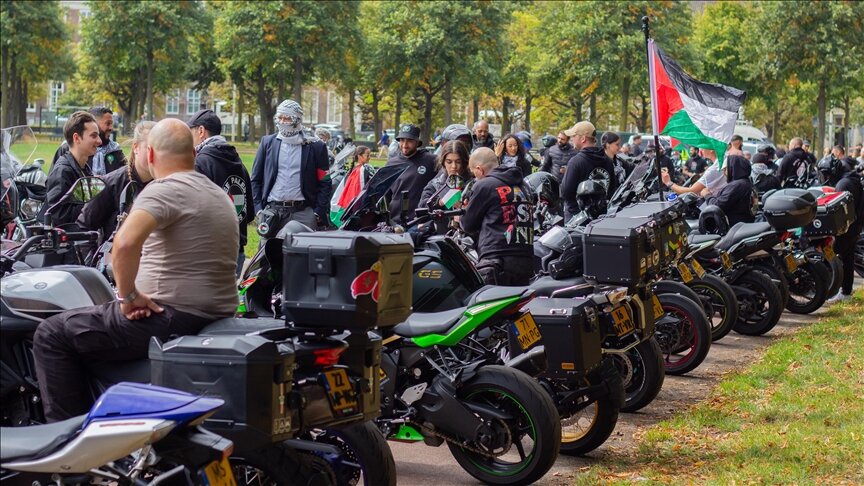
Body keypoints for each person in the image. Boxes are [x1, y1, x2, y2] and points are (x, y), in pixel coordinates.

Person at [33, 118, 239, 422]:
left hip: (169, 316)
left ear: (151, 154)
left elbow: (125, 244)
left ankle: (67, 439)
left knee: (50, 334)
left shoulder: (163, 189)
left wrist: (128, 296)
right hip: (214, 314)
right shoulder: (216, 193)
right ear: (194, 153)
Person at [251, 99, 331, 237]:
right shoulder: (267, 143)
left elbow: (325, 181)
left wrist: (317, 211)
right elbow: (255, 179)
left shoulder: (316, 146)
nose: (282, 122)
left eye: (287, 118)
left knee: (302, 251)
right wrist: (258, 208)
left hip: (304, 213)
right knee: (268, 250)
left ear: (297, 119)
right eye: (280, 118)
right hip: (272, 212)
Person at [188, 109, 254, 274]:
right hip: (237, 248)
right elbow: (249, 214)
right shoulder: (239, 163)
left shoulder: (200, 163)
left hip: (209, 251)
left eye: (191, 132)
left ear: (201, 131)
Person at [461, 147, 533, 285]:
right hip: (525, 259)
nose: (475, 177)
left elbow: (468, 225)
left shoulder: (484, 185)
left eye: (474, 173)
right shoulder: (524, 185)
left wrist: (462, 213)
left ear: (479, 169)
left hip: (496, 259)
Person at [77, 121, 155, 237]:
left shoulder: (167, 185)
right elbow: (83, 229)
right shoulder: (110, 184)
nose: (155, 155)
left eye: (161, 149)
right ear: (136, 147)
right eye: (149, 148)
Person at [39, 111, 100, 226]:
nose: (99, 141)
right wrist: (96, 204)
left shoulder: (84, 168)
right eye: (94, 136)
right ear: (76, 138)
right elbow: (58, 215)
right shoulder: (62, 171)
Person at [819, 148, 863, 302]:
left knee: (831, 255)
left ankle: (829, 290)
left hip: (847, 228)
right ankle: (845, 292)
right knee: (847, 257)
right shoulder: (850, 179)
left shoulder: (843, 184)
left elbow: (840, 211)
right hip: (854, 225)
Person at [560, 121, 618, 218]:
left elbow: (566, 192)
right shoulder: (608, 160)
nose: (572, 139)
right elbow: (612, 189)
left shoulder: (576, 162)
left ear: (583, 139)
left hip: (577, 219)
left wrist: (576, 212)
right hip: (601, 217)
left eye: (574, 136)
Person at [385, 123, 437, 224]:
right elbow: (385, 195)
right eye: (402, 140)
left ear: (417, 142)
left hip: (419, 222)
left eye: (409, 141)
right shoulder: (391, 163)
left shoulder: (431, 160)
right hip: (395, 222)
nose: (405, 145)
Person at [52, 107, 126, 176]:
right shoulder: (70, 148)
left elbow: (124, 177)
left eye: (111, 124)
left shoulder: (115, 150)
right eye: (108, 123)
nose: (111, 128)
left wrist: (104, 181)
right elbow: (56, 177)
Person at [420, 140, 472, 210]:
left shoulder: (472, 183)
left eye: (458, 162)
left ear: (464, 162)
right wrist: (440, 202)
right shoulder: (436, 183)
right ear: (443, 162)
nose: (454, 166)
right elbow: (422, 205)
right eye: (449, 162)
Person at [705, 155, 755, 226]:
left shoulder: (737, 185)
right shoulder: (745, 181)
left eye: (725, 169)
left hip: (734, 226)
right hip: (743, 223)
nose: (724, 173)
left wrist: (707, 195)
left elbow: (716, 207)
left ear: (733, 168)